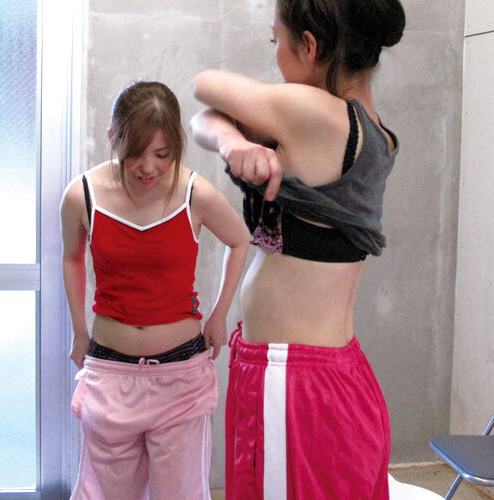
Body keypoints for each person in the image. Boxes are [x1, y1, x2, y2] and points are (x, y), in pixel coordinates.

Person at [189, 0, 405, 498]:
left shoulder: (317, 113)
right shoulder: (370, 130)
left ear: (308, 46)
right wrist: (231, 142)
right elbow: (205, 120)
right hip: (319, 370)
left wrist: (231, 139)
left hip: (293, 378)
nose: (276, 55)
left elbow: (204, 86)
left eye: (277, 41)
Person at [60, 81, 249, 500]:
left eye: (162, 155)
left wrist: (219, 316)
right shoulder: (82, 196)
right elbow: (71, 258)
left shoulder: (194, 193)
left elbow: (239, 240)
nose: (148, 168)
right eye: (135, 153)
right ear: (113, 137)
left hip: (181, 376)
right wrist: (79, 331)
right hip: (110, 372)